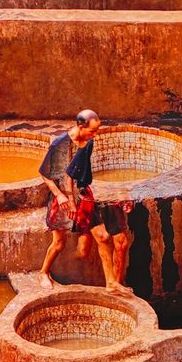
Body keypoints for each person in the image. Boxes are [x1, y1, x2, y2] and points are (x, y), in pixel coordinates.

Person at [37, 109, 123, 290]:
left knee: (103, 236)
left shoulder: (88, 142)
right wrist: (61, 196)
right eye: (92, 131)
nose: (95, 135)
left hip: (83, 195)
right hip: (62, 198)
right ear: (80, 126)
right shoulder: (59, 145)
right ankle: (44, 272)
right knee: (59, 243)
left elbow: (77, 173)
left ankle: (111, 283)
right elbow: (44, 174)